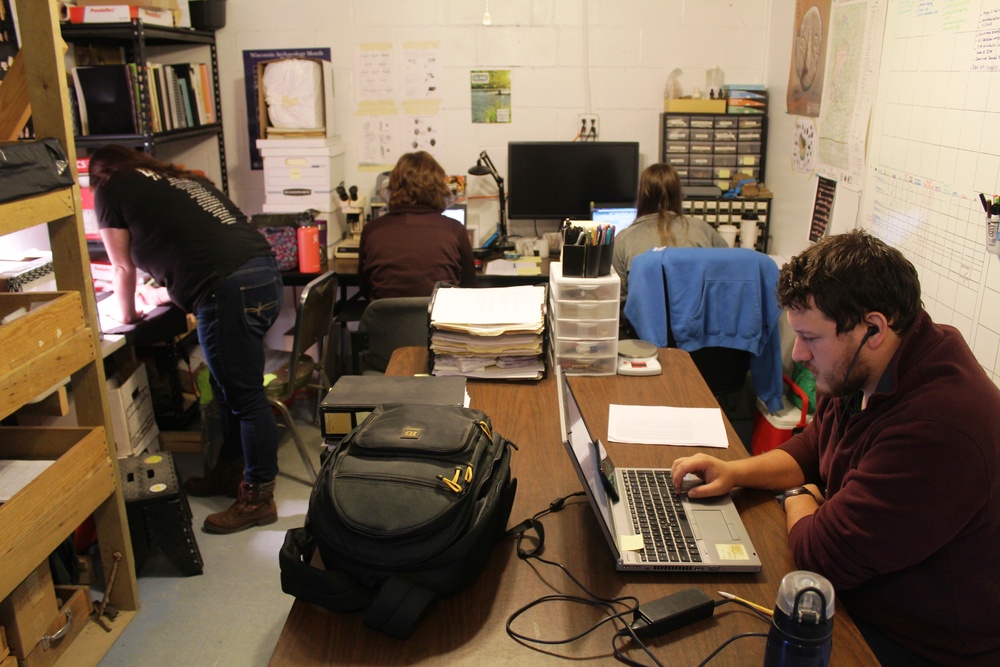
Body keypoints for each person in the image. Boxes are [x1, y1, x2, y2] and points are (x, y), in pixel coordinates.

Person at [671, 230, 1000, 666]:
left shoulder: (938, 427)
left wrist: (797, 497)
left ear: (874, 327)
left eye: (811, 337)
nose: (801, 354)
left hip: (918, 643)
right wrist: (736, 472)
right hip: (864, 595)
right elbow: (813, 446)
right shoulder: (865, 365)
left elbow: (820, 553)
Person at [89, 145, 284, 535]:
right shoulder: (178, 178)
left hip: (227, 290)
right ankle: (230, 473)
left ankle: (258, 499)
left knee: (245, 398)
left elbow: (122, 266)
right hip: (262, 275)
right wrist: (162, 293)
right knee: (228, 385)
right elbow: (196, 249)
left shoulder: (111, 187)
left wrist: (126, 315)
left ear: (97, 174)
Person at [358, 151, 477, 300]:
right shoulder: (454, 230)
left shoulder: (372, 230)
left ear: (393, 186)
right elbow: (469, 287)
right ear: (438, 189)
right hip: (438, 321)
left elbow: (364, 287)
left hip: (385, 322)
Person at [611, 162, 728, 299]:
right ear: (678, 194)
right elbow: (728, 274)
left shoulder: (624, 239)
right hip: (698, 318)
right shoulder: (702, 229)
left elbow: (619, 296)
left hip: (646, 319)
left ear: (642, 195)